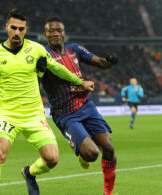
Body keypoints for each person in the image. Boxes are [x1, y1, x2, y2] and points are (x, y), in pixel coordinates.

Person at [0, 9, 94, 195]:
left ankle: (29, 172)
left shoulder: (36, 49)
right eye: (13, 28)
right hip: (7, 114)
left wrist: (80, 82)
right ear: (7, 28)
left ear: (26, 29)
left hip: (34, 114)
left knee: (52, 158)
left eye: (21, 29)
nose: (17, 32)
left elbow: (57, 68)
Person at [40, 16, 118, 195]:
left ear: (64, 33)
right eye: (51, 31)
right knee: (91, 154)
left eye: (59, 30)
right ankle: (81, 150)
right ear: (45, 34)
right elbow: (35, 78)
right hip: (65, 114)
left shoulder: (74, 49)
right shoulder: (41, 55)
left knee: (109, 148)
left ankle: (108, 192)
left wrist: (109, 60)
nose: (56, 34)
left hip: (86, 106)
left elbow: (100, 63)